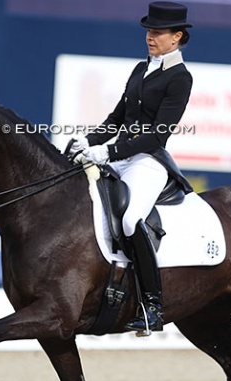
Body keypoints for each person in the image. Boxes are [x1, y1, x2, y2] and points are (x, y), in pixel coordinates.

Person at [69, 2, 194, 335]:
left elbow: (157, 133)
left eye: (157, 32)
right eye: (148, 31)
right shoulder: (140, 69)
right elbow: (116, 120)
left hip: (148, 161)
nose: (150, 37)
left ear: (177, 37)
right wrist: (85, 140)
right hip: (119, 154)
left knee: (129, 218)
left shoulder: (180, 78)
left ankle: (152, 305)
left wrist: (109, 151)